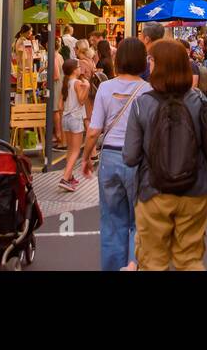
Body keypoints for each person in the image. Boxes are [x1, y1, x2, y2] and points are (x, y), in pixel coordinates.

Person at [123, 39, 207, 270]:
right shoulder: (200, 101)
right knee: (190, 260)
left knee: (153, 261)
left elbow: (130, 156)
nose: (149, 65)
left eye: (151, 60)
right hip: (194, 191)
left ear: (158, 64)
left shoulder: (141, 104)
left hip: (153, 191)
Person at [82, 38, 150, 271]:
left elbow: (94, 131)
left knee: (112, 221)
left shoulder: (105, 87)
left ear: (118, 59)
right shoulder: (148, 90)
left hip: (109, 158)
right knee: (139, 219)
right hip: (139, 159)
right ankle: (134, 265)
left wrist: (86, 157)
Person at [59, 59, 89, 191]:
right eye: (78, 67)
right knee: (76, 151)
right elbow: (82, 101)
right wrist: (87, 86)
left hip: (65, 118)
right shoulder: (77, 83)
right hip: (75, 118)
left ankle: (70, 176)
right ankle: (65, 178)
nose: (80, 69)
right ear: (73, 70)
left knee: (70, 150)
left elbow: (60, 105)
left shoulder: (65, 84)